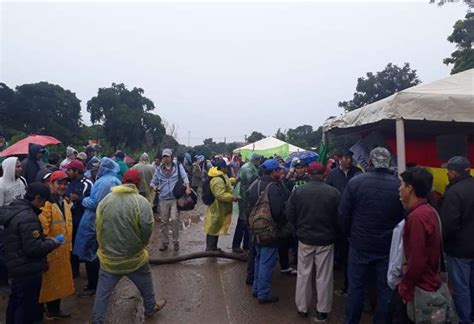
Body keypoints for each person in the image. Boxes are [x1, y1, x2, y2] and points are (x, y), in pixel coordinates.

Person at [339, 147, 404, 324]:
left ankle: (351, 321)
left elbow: (343, 214)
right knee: (385, 289)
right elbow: (403, 217)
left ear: (372, 161)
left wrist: (349, 235)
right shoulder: (398, 185)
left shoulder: (356, 182)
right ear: (388, 162)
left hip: (360, 243)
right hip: (386, 246)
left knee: (356, 287)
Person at [92, 170, 166, 323]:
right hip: (134, 258)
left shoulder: (105, 201)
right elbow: (147, 228)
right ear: (137, 184)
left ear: (122, 181)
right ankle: (150, 307)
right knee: (146, 281)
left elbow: (98, 227)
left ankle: (97, 320)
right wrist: (141, 245)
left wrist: (104, 248)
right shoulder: (141, 202)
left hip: (110, 260)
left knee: (102, 295)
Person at [387, 167, 442, 323]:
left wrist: (404, 289)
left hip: (417, 290)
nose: (399, 189)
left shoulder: (417, 217)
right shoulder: (430, 211)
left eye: (402, 184)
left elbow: (416, 259)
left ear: (410, 188)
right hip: (427, 284)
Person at [287, 162, 340, 322]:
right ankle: (322, 311)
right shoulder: (334, 193)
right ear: (325, 175)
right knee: (324, 276)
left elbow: (290, 213)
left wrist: (298, 227)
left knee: (303, 273)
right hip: (326, 239)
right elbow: (340, 217)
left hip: (305, 238)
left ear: (308, 174)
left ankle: (302, 308)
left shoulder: (298, 191)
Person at [0, 183, 60, 323]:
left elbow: (23, 238)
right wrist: (52, 243)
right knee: (26, 307)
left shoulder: (16, 209)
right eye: (44, 201)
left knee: (15, 301)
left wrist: (42, 238)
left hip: (15, 264)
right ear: (38, 198)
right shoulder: (28, 217)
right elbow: (33, 248)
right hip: (27, 268)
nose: (44, 205)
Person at [73, 158, 121, 299]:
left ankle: (94, 285)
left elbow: (96, 203)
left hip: (94, 220)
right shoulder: (113, 179)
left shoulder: (106, 182)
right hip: (103, 219)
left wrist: (82, 199)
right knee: (97, 252)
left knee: (90, 253)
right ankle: (98, 283)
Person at [247, 159, 290, 304]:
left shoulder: (255, 184)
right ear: (273, 172)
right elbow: (278, 212)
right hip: (268, 230)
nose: (281, 172)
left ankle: (256, 288)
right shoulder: (273, 187)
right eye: (278, 170)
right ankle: (264, 294)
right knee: (267, 261)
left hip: (255, 228)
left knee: (259, 259)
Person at [439, 156, 474, 323]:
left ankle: (464, 320)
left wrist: (442, 242)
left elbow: (448, 224)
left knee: (461, 288)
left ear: (453, 172)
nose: (447, 173)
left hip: (459, 250)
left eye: (448, 171)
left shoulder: (453, 192)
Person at [39, 171, 75, 319]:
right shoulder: (46, 204)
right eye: (59, 183)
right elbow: (43, 229)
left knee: (58, 283)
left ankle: (54, 310)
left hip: (63, 250)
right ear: (51, 184)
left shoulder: (64, 202)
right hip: (50, 251)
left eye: (65, 184)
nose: (62, 186)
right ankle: (47, 311)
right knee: (47, 284)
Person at [326, 150, 362, 297]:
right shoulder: (333, 174)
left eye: (350, 158)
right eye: (346, 158)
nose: (348, 161)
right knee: (340, 248)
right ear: (339, 159)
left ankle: (349, 286)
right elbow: (328, 191)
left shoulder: (358, 173)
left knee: (349, 253)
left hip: (354, 217)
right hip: (337, 217)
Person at [150, 149, 190, 251]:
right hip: (163, 198)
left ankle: (176, 241)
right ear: (162, 158)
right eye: (164, 157)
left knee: (175, 219)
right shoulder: (158, 169)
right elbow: (152, 182)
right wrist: (154, 187)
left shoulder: (178, 166)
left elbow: (185, 177)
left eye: (167, 156)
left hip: (174, 198)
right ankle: (165, 242)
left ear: (171, 157)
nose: (166, 158)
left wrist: (188, 187)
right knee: (164, 221)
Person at [0, 157, 27, 285]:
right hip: (5, 227)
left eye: (21, 166)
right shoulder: (1, 185)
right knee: (5, 254)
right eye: (17, 167)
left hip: (20, 224)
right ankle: (4, 281)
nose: (20, 169)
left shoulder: (22, 181)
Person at [65, 160, 93, 281]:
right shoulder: (69, 183)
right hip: (70, 220)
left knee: (85, 246)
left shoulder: (88, 183)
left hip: (83, 221)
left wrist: (78, 198)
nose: (67, 172)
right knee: (71, 246)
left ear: (77, 171)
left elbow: (92, 202)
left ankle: (90, 275)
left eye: (69, 170)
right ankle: (74, 270)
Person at [204, 159, 239, 251]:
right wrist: (233, 197)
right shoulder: (217, 179)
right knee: (213, 227)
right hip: (216, 207)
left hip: (219, 207)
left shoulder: (220, 175)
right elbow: (220, 195)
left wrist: (235, 180)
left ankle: (213, 247)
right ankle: (210, 248)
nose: (228, 168)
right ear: (223, 168)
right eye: (226, 167)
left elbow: (226, 182)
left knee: (216, 227)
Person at [232, 153, 261, 254]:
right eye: (259, 161)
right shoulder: (248, 168)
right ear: (256, 160)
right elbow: (250, 182)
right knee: (242, 221)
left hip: (247, 197)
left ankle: (246, 244)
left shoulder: (251, 167)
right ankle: (236, 245)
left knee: (248, 222)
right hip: (245, 198)